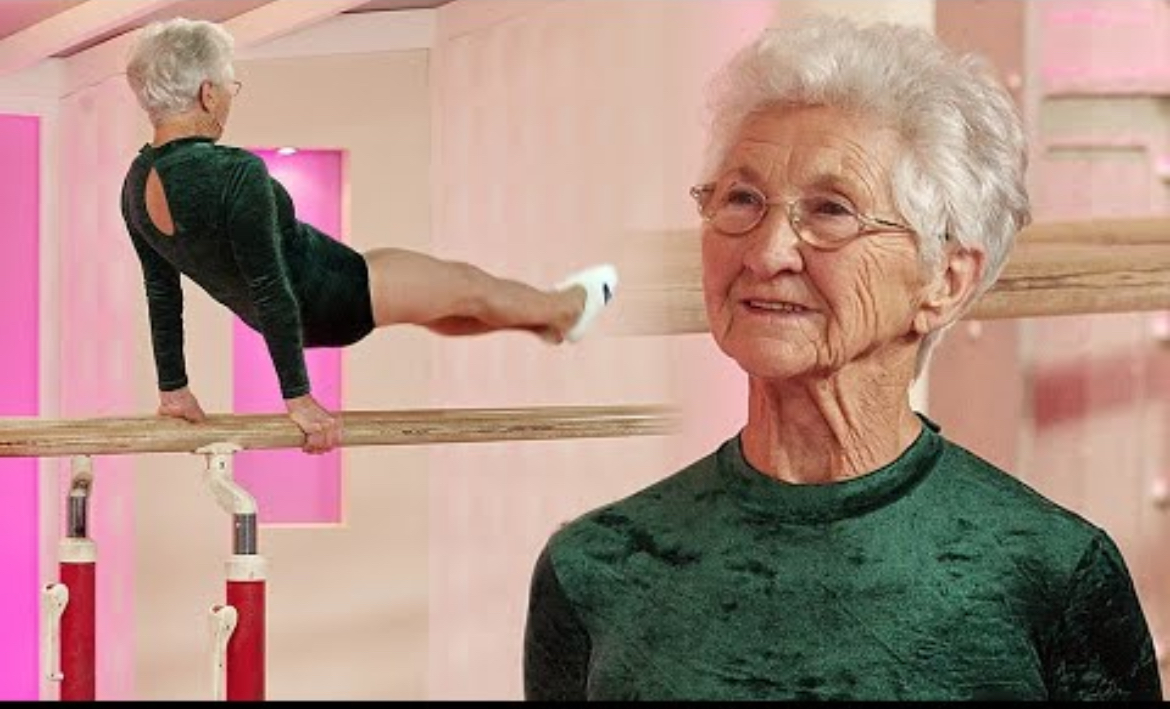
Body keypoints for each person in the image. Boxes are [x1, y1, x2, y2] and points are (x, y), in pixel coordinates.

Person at [522, 16, 1162, 701]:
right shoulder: (593, 569)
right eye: (742, 199)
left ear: (945, 281)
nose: (767, 253)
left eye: (830, 210)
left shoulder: (1053, 574)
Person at [121, 18, 618, 454]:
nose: (231, 97)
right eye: (231, 86)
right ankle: (567, 307)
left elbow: (161, 292)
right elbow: (270, 285)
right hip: (333, 293)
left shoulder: (136, 184)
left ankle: (545, 323)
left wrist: (173, 388)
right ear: (208, 93)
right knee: (468, 286)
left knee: (441, 308)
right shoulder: (233, 171)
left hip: (312, 299)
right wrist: (299, 399)